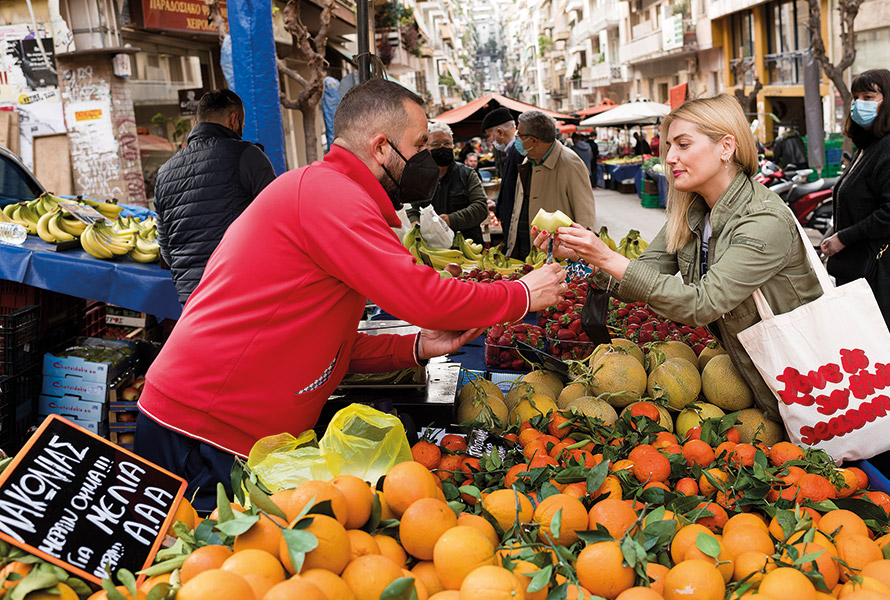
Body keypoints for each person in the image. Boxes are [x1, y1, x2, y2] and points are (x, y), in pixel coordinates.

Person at [135, 79, 567, 511]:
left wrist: (413, 346)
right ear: (382, 148)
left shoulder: (334, 193)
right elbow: (423, 298)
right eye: (419, 143)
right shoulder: (328, 195)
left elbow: (327, 339)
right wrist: (522, 294)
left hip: (233, 432)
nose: (429, 158)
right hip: (202, 430)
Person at [534, 93, 823, 452]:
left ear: (726, 147)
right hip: (763, 380)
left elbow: (703, 304)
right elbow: (638, 277)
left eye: (683, 144)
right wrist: (585, 255)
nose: (670, 158)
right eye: (669, 146)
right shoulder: (693, 213)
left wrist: (606, 257)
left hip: (812, 380)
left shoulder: (762, 220)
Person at [820, 69, 890, 501]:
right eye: (856, 96)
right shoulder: (872, 147)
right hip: (870, 267)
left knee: (883, 351)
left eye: (869, 96)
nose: (860, 103)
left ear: (889, 100)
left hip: (887, 269)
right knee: (882, 350)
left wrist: (844, 237)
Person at [154, 89, 276, 305]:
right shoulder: (247, 156)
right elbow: (279, 221)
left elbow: (166, 253)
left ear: (196, 121)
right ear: (234, 119)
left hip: (193, 302)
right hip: (241, 293)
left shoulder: (164, 173)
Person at [507, 110, 596, 259]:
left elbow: (585, 217)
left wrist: (581, 255)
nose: (516, 139)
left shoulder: (571, 163)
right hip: (524, 249)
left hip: (556, 255)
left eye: (519, 135)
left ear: (533, 140)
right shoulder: (527, 160)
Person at [407, 122, 488, 244]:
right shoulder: (419, 178)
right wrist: (415, 224)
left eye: (447, 143)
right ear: (427, 148)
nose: (442, 147)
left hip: (467, 247)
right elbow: (411, 209)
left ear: (453, 145)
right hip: (432, 248)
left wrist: (450, 220)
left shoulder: (467, 174)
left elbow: (481, 208)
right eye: (435, 144)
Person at [482, 107, 522, 244]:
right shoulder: (513, 152)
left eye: (489, 135)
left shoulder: (518, 152)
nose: (490, 140)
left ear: (499, 132)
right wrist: (497, 206)